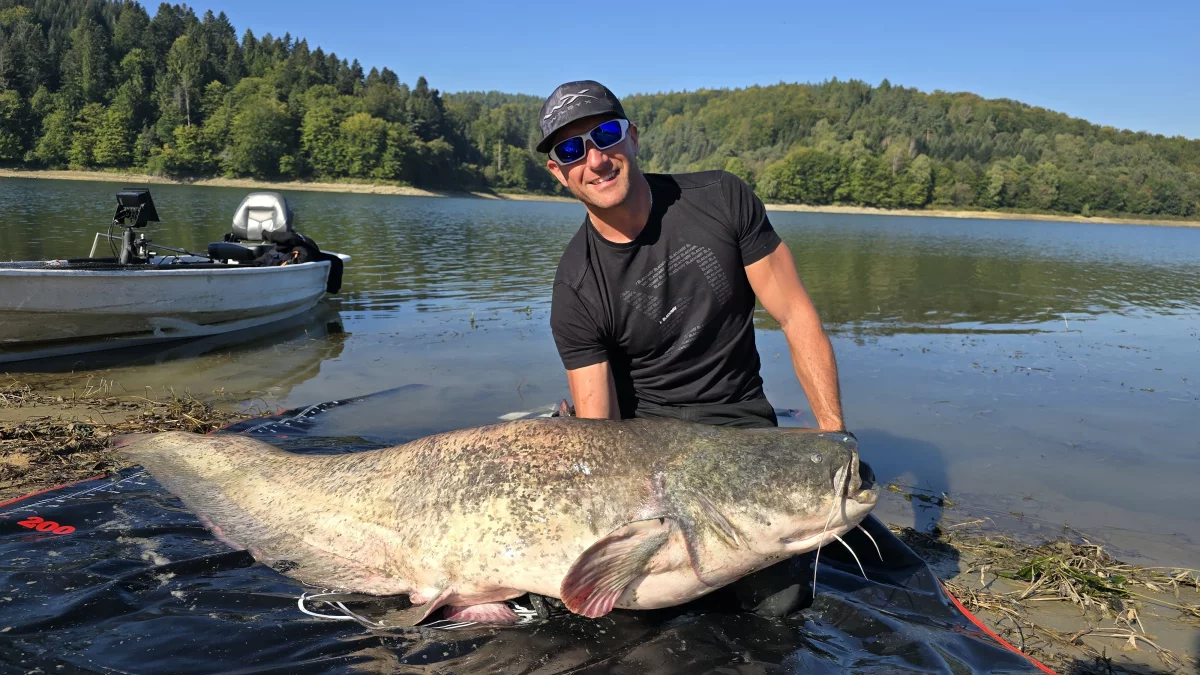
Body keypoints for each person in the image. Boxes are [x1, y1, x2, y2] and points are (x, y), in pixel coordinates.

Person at [539, 80, 846, 432]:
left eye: (607, 133)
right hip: (645, 441)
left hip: (742, 426)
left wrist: (834, 436)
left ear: (633, 138)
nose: (595, 160)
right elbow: (601, 431)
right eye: (570, 151)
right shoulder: (575, 287)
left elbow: (796, 316)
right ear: (558, 172)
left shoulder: (722, 199)